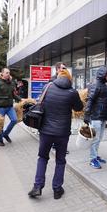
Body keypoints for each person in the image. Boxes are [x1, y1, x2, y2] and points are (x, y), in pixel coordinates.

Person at [28, 69, 83, 199]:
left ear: (58, 77)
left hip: (46, 131)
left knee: (42, 157)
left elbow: (40, 103)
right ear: (70, 79)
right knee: (60, 160)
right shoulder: (72, 92)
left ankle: (37, 186)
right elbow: (79, 108)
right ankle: (57, 189)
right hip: (62, 133)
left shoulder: (48, 87)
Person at [84, 66, 107, 169]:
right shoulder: (96, 85)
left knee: (99, 138)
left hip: (101, 116)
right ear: (103, 75)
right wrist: (87, 115)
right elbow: (90, 100)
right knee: (95, 139)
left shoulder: (102, 84)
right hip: (96, 117)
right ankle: (92, 159)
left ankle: (95, 155)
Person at [0, 68, 22, 146]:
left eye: (9, 73)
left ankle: (5, 134)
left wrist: (21, 100)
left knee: (14, 120)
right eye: (6, 73)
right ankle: (0, 140)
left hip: (9, 106)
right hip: (0, 107)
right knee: (0, 124)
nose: (8, 74)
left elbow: (13, 95)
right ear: (2, 74)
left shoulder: (12, 83)